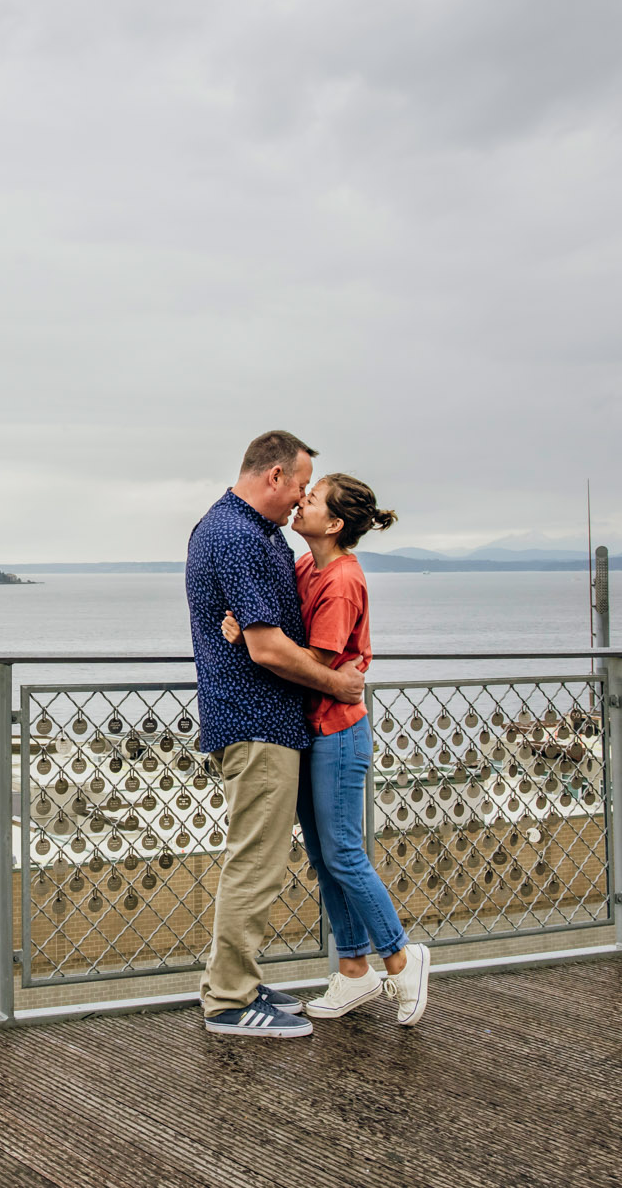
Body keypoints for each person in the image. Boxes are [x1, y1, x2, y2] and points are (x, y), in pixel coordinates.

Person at [222, 473, 432, 1026]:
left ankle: (401, 958)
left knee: (342, 852)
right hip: (313, 729)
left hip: (339, 730)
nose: (300, 501)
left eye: (311, 499)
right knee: (323, 856)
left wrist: (249, 637)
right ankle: (355, 973)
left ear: (334, 524)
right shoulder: (305, 567)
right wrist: (247, 622)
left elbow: (315, 662)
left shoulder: (341, 580)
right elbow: (281, 623)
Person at [185, 430, 366, 1038]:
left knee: (258, 859)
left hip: (262, 718)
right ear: (273, 476)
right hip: (256, 719)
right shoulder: (238, 535)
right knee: (256, 864)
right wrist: (336, 685)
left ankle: (239, 979)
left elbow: (266, 629)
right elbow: (268, 648)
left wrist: (260, 634)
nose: (300, 500)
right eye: (299, 486)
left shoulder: (251, 533)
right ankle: (230, 1001)